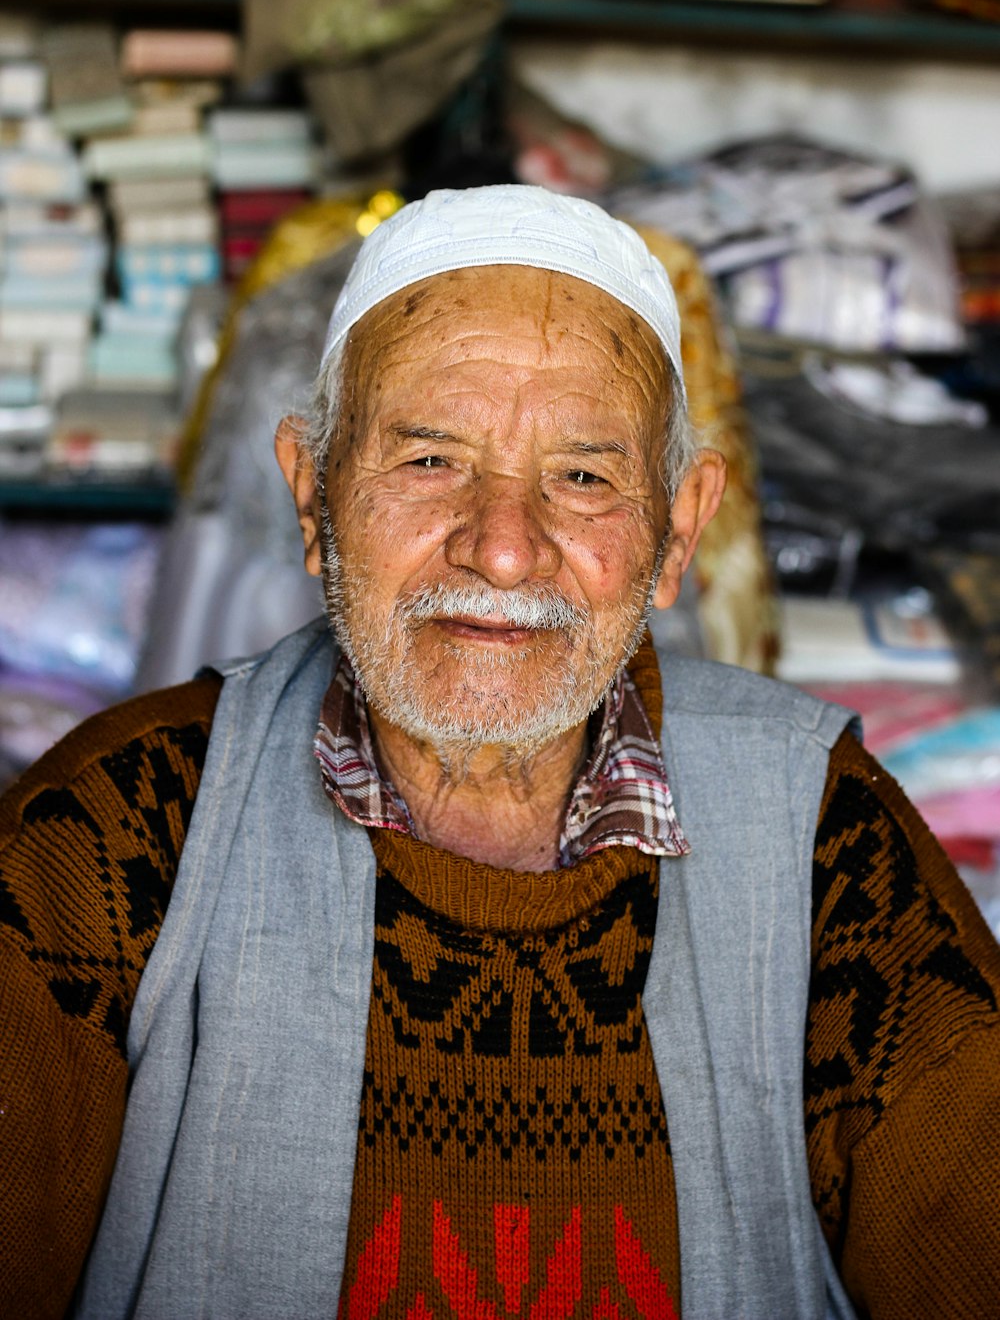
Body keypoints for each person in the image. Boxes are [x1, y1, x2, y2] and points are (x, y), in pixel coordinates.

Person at [2, 186, 998, 1320]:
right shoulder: (114, 828)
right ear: (314, 494)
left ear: (676, 531)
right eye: (429, 460)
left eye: (582, 477)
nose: (504, 549)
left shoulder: (822, 833)